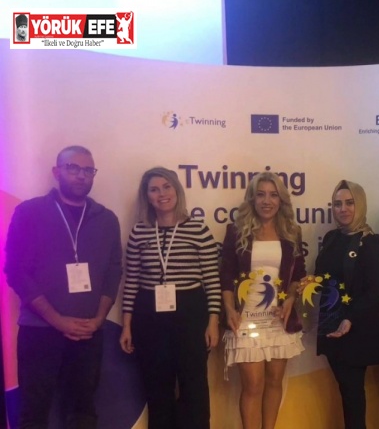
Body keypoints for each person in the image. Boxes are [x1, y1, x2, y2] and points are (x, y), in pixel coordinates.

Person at [4, 145, 122, 428]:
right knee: (34, 410)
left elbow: (113, 271)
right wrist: (57, 319)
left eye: (88, 170)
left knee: (83, 410)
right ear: (57, 172)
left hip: (88, 332)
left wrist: (98, 320)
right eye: (73, 168)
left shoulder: (107, 219)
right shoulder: (29, 212)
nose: (81, 175)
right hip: (39, 331)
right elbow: (15, 270)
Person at [119, 167, 220, 429]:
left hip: (190, 313)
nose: (161, 194)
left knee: (193, 386)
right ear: (147, 196)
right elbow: (131, 281)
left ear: (176, 190)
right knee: (157, 387)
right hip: (149, 315)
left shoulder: (198, 229)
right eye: (154, 189)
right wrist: (127, 325)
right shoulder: (139, 232)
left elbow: (212, 280)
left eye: (167, 187)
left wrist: (213, 321)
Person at [220, 171, 305, 429]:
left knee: (274, 382)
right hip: (246, 319)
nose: (267, 201)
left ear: (281, 200)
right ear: (252, 199)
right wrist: (229, 309)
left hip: (278, 319)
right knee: (253, 385)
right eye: (261, 195)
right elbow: (226, 275)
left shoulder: (292, 232)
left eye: (273, 195)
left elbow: (298, 275)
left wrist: (291, 298)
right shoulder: (236, 231)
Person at [313, 180, 379, 429]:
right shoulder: (331, 238)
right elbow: (323, 277)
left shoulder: (371, 242)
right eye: (337, 204)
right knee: (346, 390)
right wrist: (309, 284)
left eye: (349, 203)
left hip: (356, 328)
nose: (343, 209)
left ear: (360, 205)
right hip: (331, 324)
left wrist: (349, 318)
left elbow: (374, 290)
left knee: (352, 393)